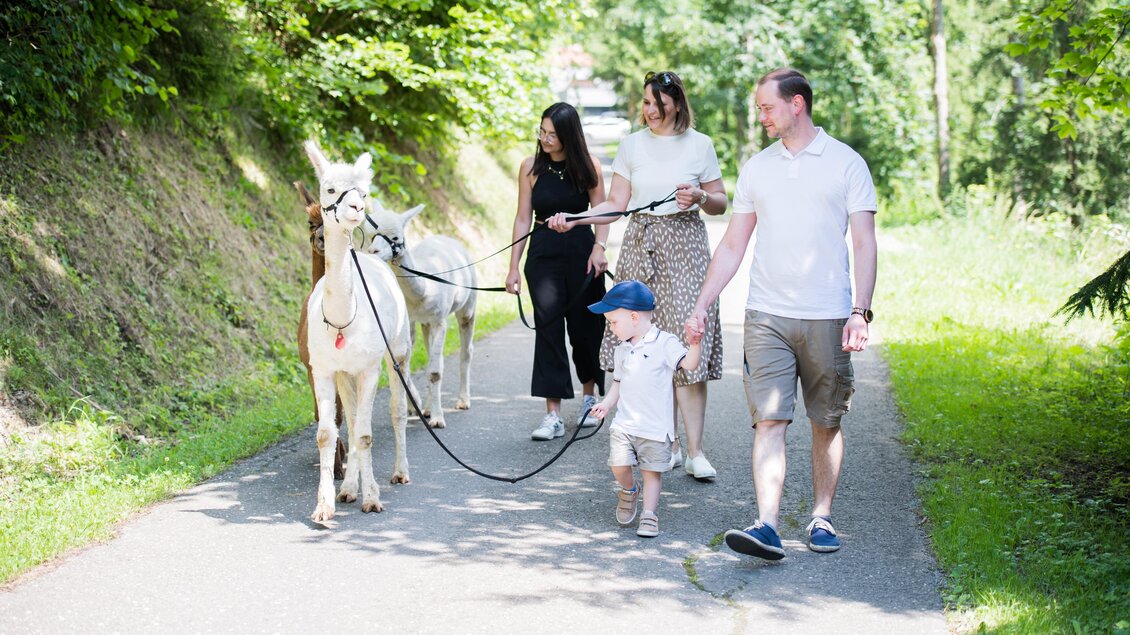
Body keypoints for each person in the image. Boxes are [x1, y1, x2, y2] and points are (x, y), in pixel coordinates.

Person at [686, 68, 878, 560]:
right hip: (766, 314)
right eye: (759, 108)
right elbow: (733, 244)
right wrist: (703, 303)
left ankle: (821, 517)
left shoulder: (846, 163)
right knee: (769, 421)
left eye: (767, 107)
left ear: (797, 104)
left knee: (825, 422)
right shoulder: (758, 168)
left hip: (827, 314)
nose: (761, 116)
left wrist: (860, 311)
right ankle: (767, 525)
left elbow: (863, 242)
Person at [547, 71, 726, 480]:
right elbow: (616, 203)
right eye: (645, 102)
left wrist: (700, 196)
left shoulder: (700, 145)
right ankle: (667, 443)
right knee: (643, 344)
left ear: (676, 104)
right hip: (640, 244)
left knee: (686, 338)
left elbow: (720, 202)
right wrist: (575, 218)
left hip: (685, 246)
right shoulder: (631, 145)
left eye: (657, 103)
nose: (650, 110)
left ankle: (695, 451)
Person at [506, 102, 610, 441]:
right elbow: (523, 218)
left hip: (582, 254)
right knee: (548, 330)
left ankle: (589, 398)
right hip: (543, 255)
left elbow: (603, 211)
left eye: (552, 134)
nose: (545, 139)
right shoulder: (530, 167)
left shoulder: (589, 166)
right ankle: (552, 415)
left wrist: (599, 247)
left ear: (569, 135)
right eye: (542, 131)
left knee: (586, 328)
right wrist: (513, 267)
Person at [588, 280, 702, 537]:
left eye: (613, 322)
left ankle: (649, 514)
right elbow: (618, 383)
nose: (611, 327)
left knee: (651, 473)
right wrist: (606, 404)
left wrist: (695, 343)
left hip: (655, 427)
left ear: (634, 317)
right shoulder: (622, 350)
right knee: (618, 464)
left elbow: (690, 364)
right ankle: (629, 490)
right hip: (625, 424)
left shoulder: (665, 343)